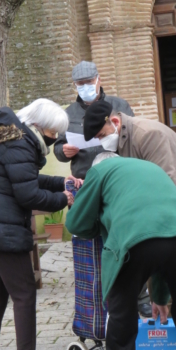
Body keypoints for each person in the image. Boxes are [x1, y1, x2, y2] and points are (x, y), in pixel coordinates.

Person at [0, 99, 81, 350]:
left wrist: (61, 181)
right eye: (53, 134)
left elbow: (25, 177)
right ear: (38, 127)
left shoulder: (7, 139)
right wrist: (63, 198)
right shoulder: (20, 145)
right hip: (3, 232)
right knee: (25, 294)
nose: (54, 139)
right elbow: (28, 195)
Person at [66, 153, 176, 350]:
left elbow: (75, 224)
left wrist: (100, 225)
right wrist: (159, 298)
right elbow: (160, 237)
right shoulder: (150, 167)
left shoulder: (99, 170)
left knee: (123, 316)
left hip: (132, 238)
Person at [52, 61, 155, 317]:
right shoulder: (68, 114)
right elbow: (57, 147)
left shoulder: (119, 105)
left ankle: (141, 294)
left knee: (127, 239)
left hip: (118, 182)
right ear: (74, 85)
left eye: (89, 82)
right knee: (92, 243)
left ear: (98, 79)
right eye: (80, 84)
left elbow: (132, 137)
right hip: (85, 184)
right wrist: (63, 152)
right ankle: (99, 298)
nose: (85, 87)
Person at [83, 100, 176, 234]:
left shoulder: (149, 135)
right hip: (166, 205)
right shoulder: (121, 136)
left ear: (115, 122)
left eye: (102, 135)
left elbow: (166, 181)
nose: (102, 141)